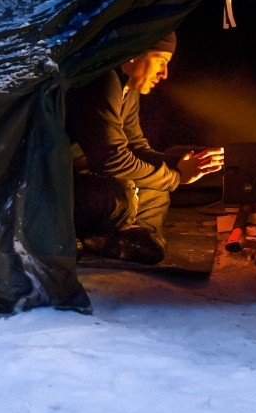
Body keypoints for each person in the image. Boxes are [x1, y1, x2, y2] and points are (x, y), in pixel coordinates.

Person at [67, 32, 224, 264]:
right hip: (65, 187)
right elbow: (112, 160)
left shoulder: (128, 89)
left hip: (96, 178)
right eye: (161, 61)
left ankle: (137, 238)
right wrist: (176, 177)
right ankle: (98, 238)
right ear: (134, 54)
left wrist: (179, 163)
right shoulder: (102, 80)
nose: (164, 73)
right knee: (122, 197)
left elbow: (137, 147)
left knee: (156, 188)